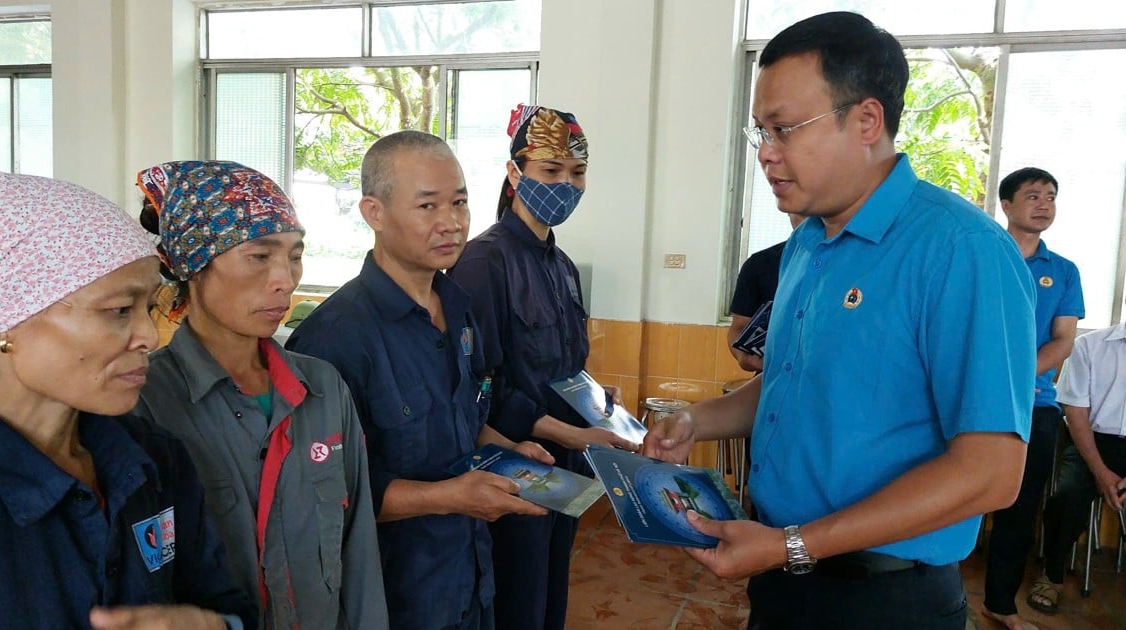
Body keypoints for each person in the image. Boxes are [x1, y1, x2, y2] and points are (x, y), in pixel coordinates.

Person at [643, 11, 1036, 628]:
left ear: (867, 121)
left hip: (882, 598)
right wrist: (696, 419)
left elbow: (991, 472)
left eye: (784, 129)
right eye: (759, 133)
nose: (766, 155)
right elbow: (790, 381)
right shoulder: (807, 243)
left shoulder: (962, 251)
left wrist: (792, 544)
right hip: (783, 573)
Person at [0, 169, 254, 630]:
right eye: (119, 310)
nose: (147, 336)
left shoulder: (156, 459)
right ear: (7, 323)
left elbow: (227, 604)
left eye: (147, 308)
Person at [285, 130, 553, 630]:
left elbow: (464, 418)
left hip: (470, 574)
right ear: (374, 213)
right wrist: (450, 496)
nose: (451, 223)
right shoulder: (334, 340)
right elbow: (328, 495)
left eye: (460, 202)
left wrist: (508, 448)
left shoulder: (459, 308)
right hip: (397, 594)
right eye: (427, 206)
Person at [133, 161, 387, 629]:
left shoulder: (324, 389)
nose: (285, 281)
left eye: (294, 256)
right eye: (258, 256)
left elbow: (359, 554)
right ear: (193, 264)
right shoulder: (144, 405)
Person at [448, 104, 636, 630]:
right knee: (517, 600)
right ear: (515, 173)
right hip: (513, 463)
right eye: (550, 172)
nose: (566, 185)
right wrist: (572, 436)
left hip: (567, 463)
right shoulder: (483, 262)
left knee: (552, 593)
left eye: (576, 174)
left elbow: (566, 368)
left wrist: (600, 403)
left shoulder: (562, 265)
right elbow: (480, 384)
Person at [982, 167, 1083, 629]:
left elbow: (1063, 340)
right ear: (1005, 204)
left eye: (1051, 196)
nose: (1044, 203)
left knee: (1021, 507)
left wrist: (1014, 375)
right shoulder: (980, 254)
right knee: (942, 495)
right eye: (1033, 195)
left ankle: (999, 604)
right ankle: (927, 594)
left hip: (1034, 404)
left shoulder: (1063, 271)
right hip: (969, 398)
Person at [1028, 323, 1126, 615]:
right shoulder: (1089, 346)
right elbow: (1075, 414)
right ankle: (1053, 575)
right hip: (1092, 443)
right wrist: (1100, 472)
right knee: (1067, 496)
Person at [727, 214, 806, 372]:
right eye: (801, 212)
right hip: (770, 380)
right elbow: (739, 326)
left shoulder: (856, 266)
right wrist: (744, 357)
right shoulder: (760, 264)